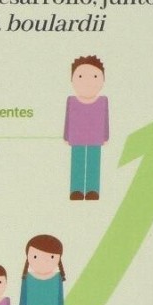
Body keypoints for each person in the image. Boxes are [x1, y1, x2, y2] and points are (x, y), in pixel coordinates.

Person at [64, 55, 109, 200]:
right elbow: (68, 119)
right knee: (77, 162)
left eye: (95, 76)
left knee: (93, 163)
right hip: (76, 138)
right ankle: (76, 190)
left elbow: (105, 119)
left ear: (102, 79)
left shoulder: (102, 101)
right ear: (72, 79)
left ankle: (92, 189)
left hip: (96, 138)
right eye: (80, 76)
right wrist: (66, 136)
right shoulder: (72, 101)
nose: (87, 82)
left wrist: (105, 136)